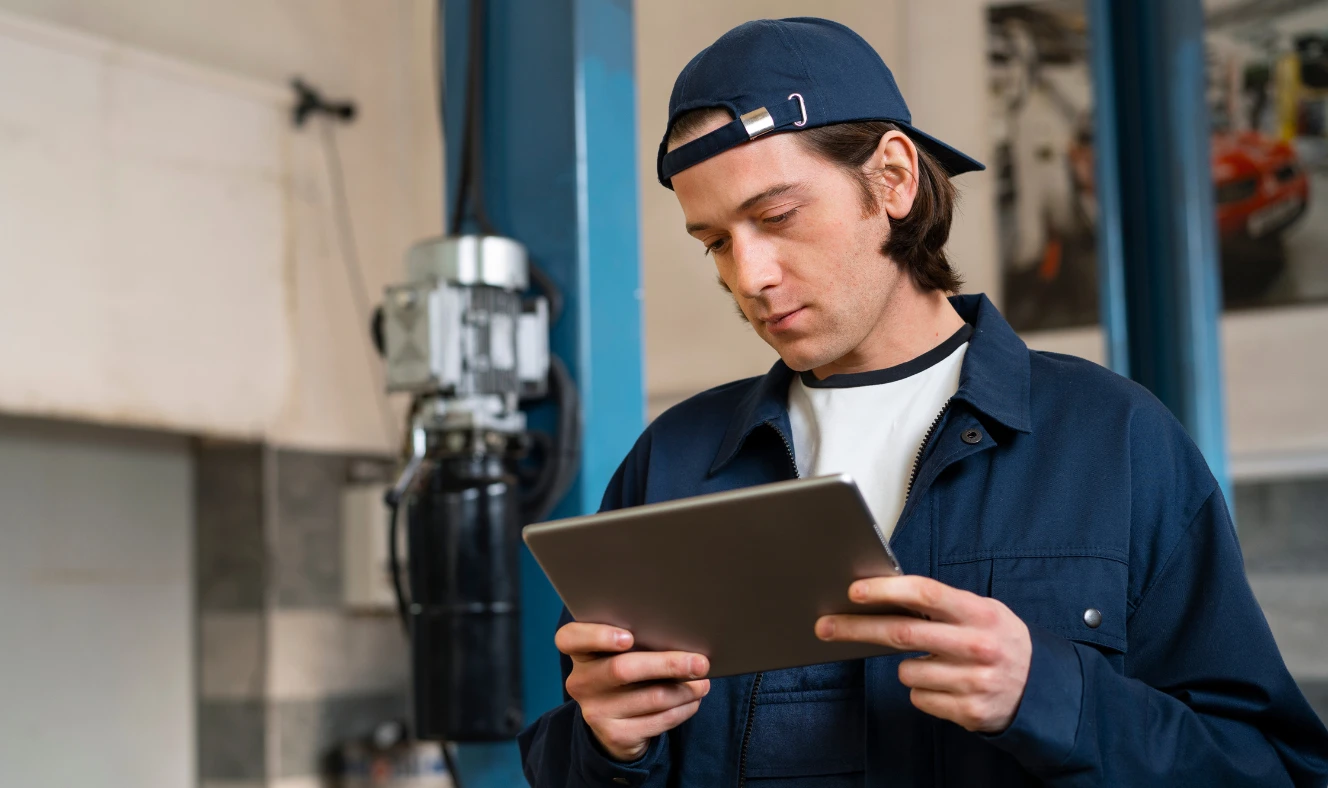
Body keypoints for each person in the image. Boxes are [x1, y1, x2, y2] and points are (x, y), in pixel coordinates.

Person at [518, 17, 1328, 786]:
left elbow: (1273, 769)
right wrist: (605, 746)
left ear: (894, 177)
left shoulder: (1112, 440)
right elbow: (571, 755)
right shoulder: (675, 462)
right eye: (717, 243)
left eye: (776, 216)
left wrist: (1048, 694)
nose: (748, 275)